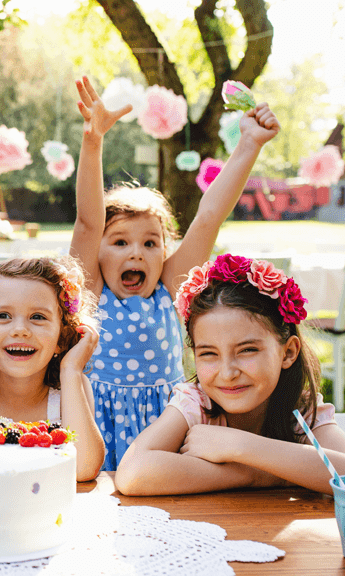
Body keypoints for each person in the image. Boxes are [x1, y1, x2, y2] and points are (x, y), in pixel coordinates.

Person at [69, 76, 282, 470]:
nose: (137, 252)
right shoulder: (92, 292)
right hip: (97, 434)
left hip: (167, 432)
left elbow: (208, 218)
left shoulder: (169, 289)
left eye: (151, 243)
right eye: (119, 242)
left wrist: (249, 143)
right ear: (97, 250)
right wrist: (93, 140)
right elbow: (86, 222)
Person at [115, 255, 345, 495]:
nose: (227, 373)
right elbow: (132, 474)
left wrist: (240, 446)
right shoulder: (196, 404)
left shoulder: (300, 410)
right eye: (208, 354)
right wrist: (255, 474)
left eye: (247, 350)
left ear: (288, 353)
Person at [0, 256, 105, 481]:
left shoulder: (71, 386)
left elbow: (83, 469)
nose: (20, 330)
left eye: (37, 317)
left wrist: (71, 370)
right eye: (3, 316)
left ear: (62, 336)